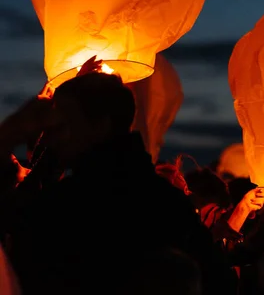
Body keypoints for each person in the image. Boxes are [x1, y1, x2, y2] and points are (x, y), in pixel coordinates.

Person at [0, 72, 236, 295]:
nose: (50, 136)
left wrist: (11, 132)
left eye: (63, 125)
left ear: (101, 124)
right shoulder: (166, 200)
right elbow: (219, 280)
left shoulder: (75, 205)